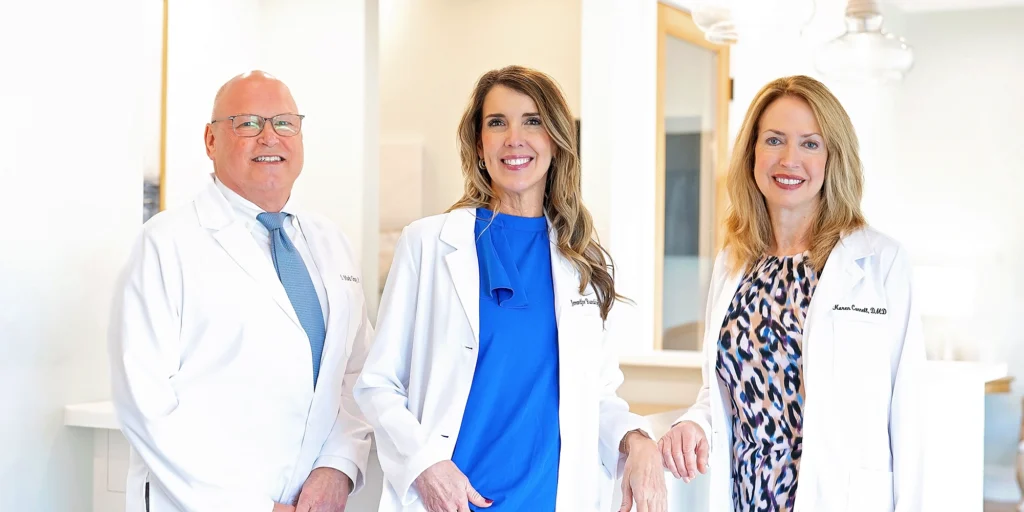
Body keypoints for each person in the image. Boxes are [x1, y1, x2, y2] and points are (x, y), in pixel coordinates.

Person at [354, 65, 667, 512]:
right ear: (479, 145)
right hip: (450, 500)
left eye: (533, 121)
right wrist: (426, 465)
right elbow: (377, 383)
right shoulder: (427, 243)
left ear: (556, 142)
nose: (513, 138)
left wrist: (638, 441)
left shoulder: (584, 261)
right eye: (497, 122)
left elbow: (597, 397)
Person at [657, 75, 924, 511]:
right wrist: (694, 423)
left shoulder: (881, 262)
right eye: (774, 140)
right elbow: (722, 391)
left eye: (810, 144)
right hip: (747, 497)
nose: (789, 159)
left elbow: (908, 415)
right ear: (753, 153)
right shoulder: (734, 263)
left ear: (833, 157)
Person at [108, 70, 373, 512]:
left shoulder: (330, 242)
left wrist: (338, 466)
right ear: (211, 141)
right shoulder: (166, 243)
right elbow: (144, 402)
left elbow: (356, 371)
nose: (269, 137)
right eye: (248, 123)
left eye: (284, 123)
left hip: (310, 499)